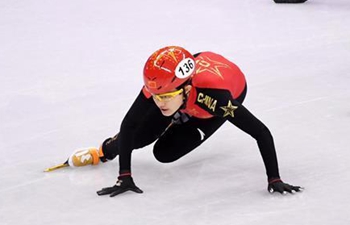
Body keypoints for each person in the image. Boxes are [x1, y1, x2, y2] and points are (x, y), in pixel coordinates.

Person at [66, 46, 303, 197]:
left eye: (166, 97)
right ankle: (104, 150)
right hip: (192, 77)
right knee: (141, 135)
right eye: (157, 97)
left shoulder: (216, 101)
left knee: (165, 153)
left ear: (186, 87)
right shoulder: (161, 86)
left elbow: (260, 132)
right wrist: (124, 175)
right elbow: (128, 125)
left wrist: (275, 178)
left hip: (221, 94)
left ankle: (180, 120)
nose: (160, 102)